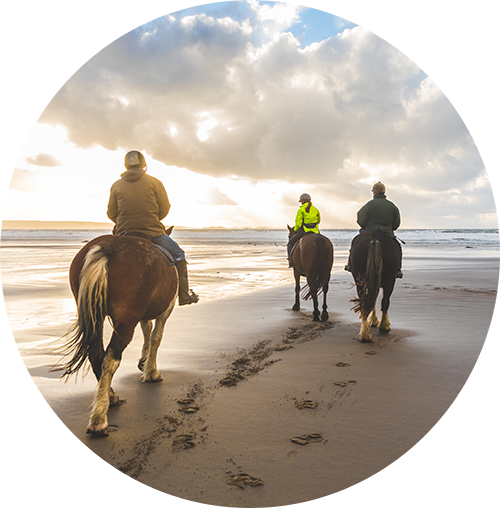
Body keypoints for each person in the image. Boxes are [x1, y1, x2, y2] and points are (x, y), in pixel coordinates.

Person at [107, 150, 199, 305]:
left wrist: (124, 223)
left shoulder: (116, 185)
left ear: (125, 166)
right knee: (179, 255)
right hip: (153, 232)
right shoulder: (155, 182)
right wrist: (152, 220)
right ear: (144, 165)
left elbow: (111, 213)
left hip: (124, 233)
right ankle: (183, 296)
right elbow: (165, 207)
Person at [345, 181, 402, 277]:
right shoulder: (392, 206)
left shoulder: (369, 205)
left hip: (368, 232)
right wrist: (388, 228)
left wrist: (366, 227)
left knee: (355, 243)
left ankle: (350, 264)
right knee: (398, 248)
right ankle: (398, 270)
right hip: (386, 233)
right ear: (384, 192)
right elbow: (396, 224)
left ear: (374, 192)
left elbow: (360, 219)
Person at [287, 193, 321, 267]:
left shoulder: (301, 210)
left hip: (304, 231)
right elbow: (318, 221)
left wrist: (295, 229)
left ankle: (290, 261)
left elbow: (298, 223)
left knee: (290, 244)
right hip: (315, 231)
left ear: (302, 201)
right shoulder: (315, 209)